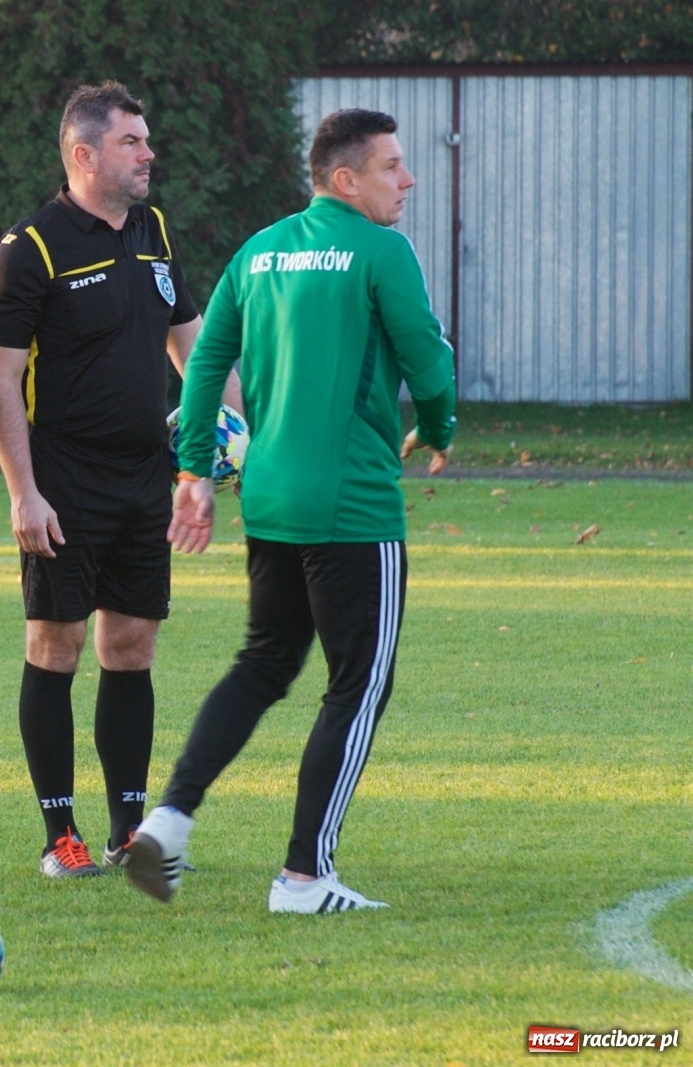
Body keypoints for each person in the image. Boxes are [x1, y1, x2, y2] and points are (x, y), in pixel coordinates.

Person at [125, 108, 456, 914]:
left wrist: (193, 471)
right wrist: (441, 425)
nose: (406, 180)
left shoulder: (260, 249)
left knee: (264, 662)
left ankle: (167, 821)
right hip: (353, 506)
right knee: (357, 685)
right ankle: (305, 876)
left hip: (269, 500)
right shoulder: (382, 249)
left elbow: (203, 363)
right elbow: (427, 355)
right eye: (391, 167)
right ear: (346, 180)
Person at [0, 81, 232, 879]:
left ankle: (130, 827)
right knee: (56, 646)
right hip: (62, 482)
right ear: (85, 155)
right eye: (132, 142)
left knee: (131, 644)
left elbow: (193, 351)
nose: (148, 153)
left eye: (146, 140)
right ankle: (61, 835)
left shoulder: (153, 230)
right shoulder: (31, 248)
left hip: (142, 481)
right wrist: (23, 491)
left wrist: (222, 445)